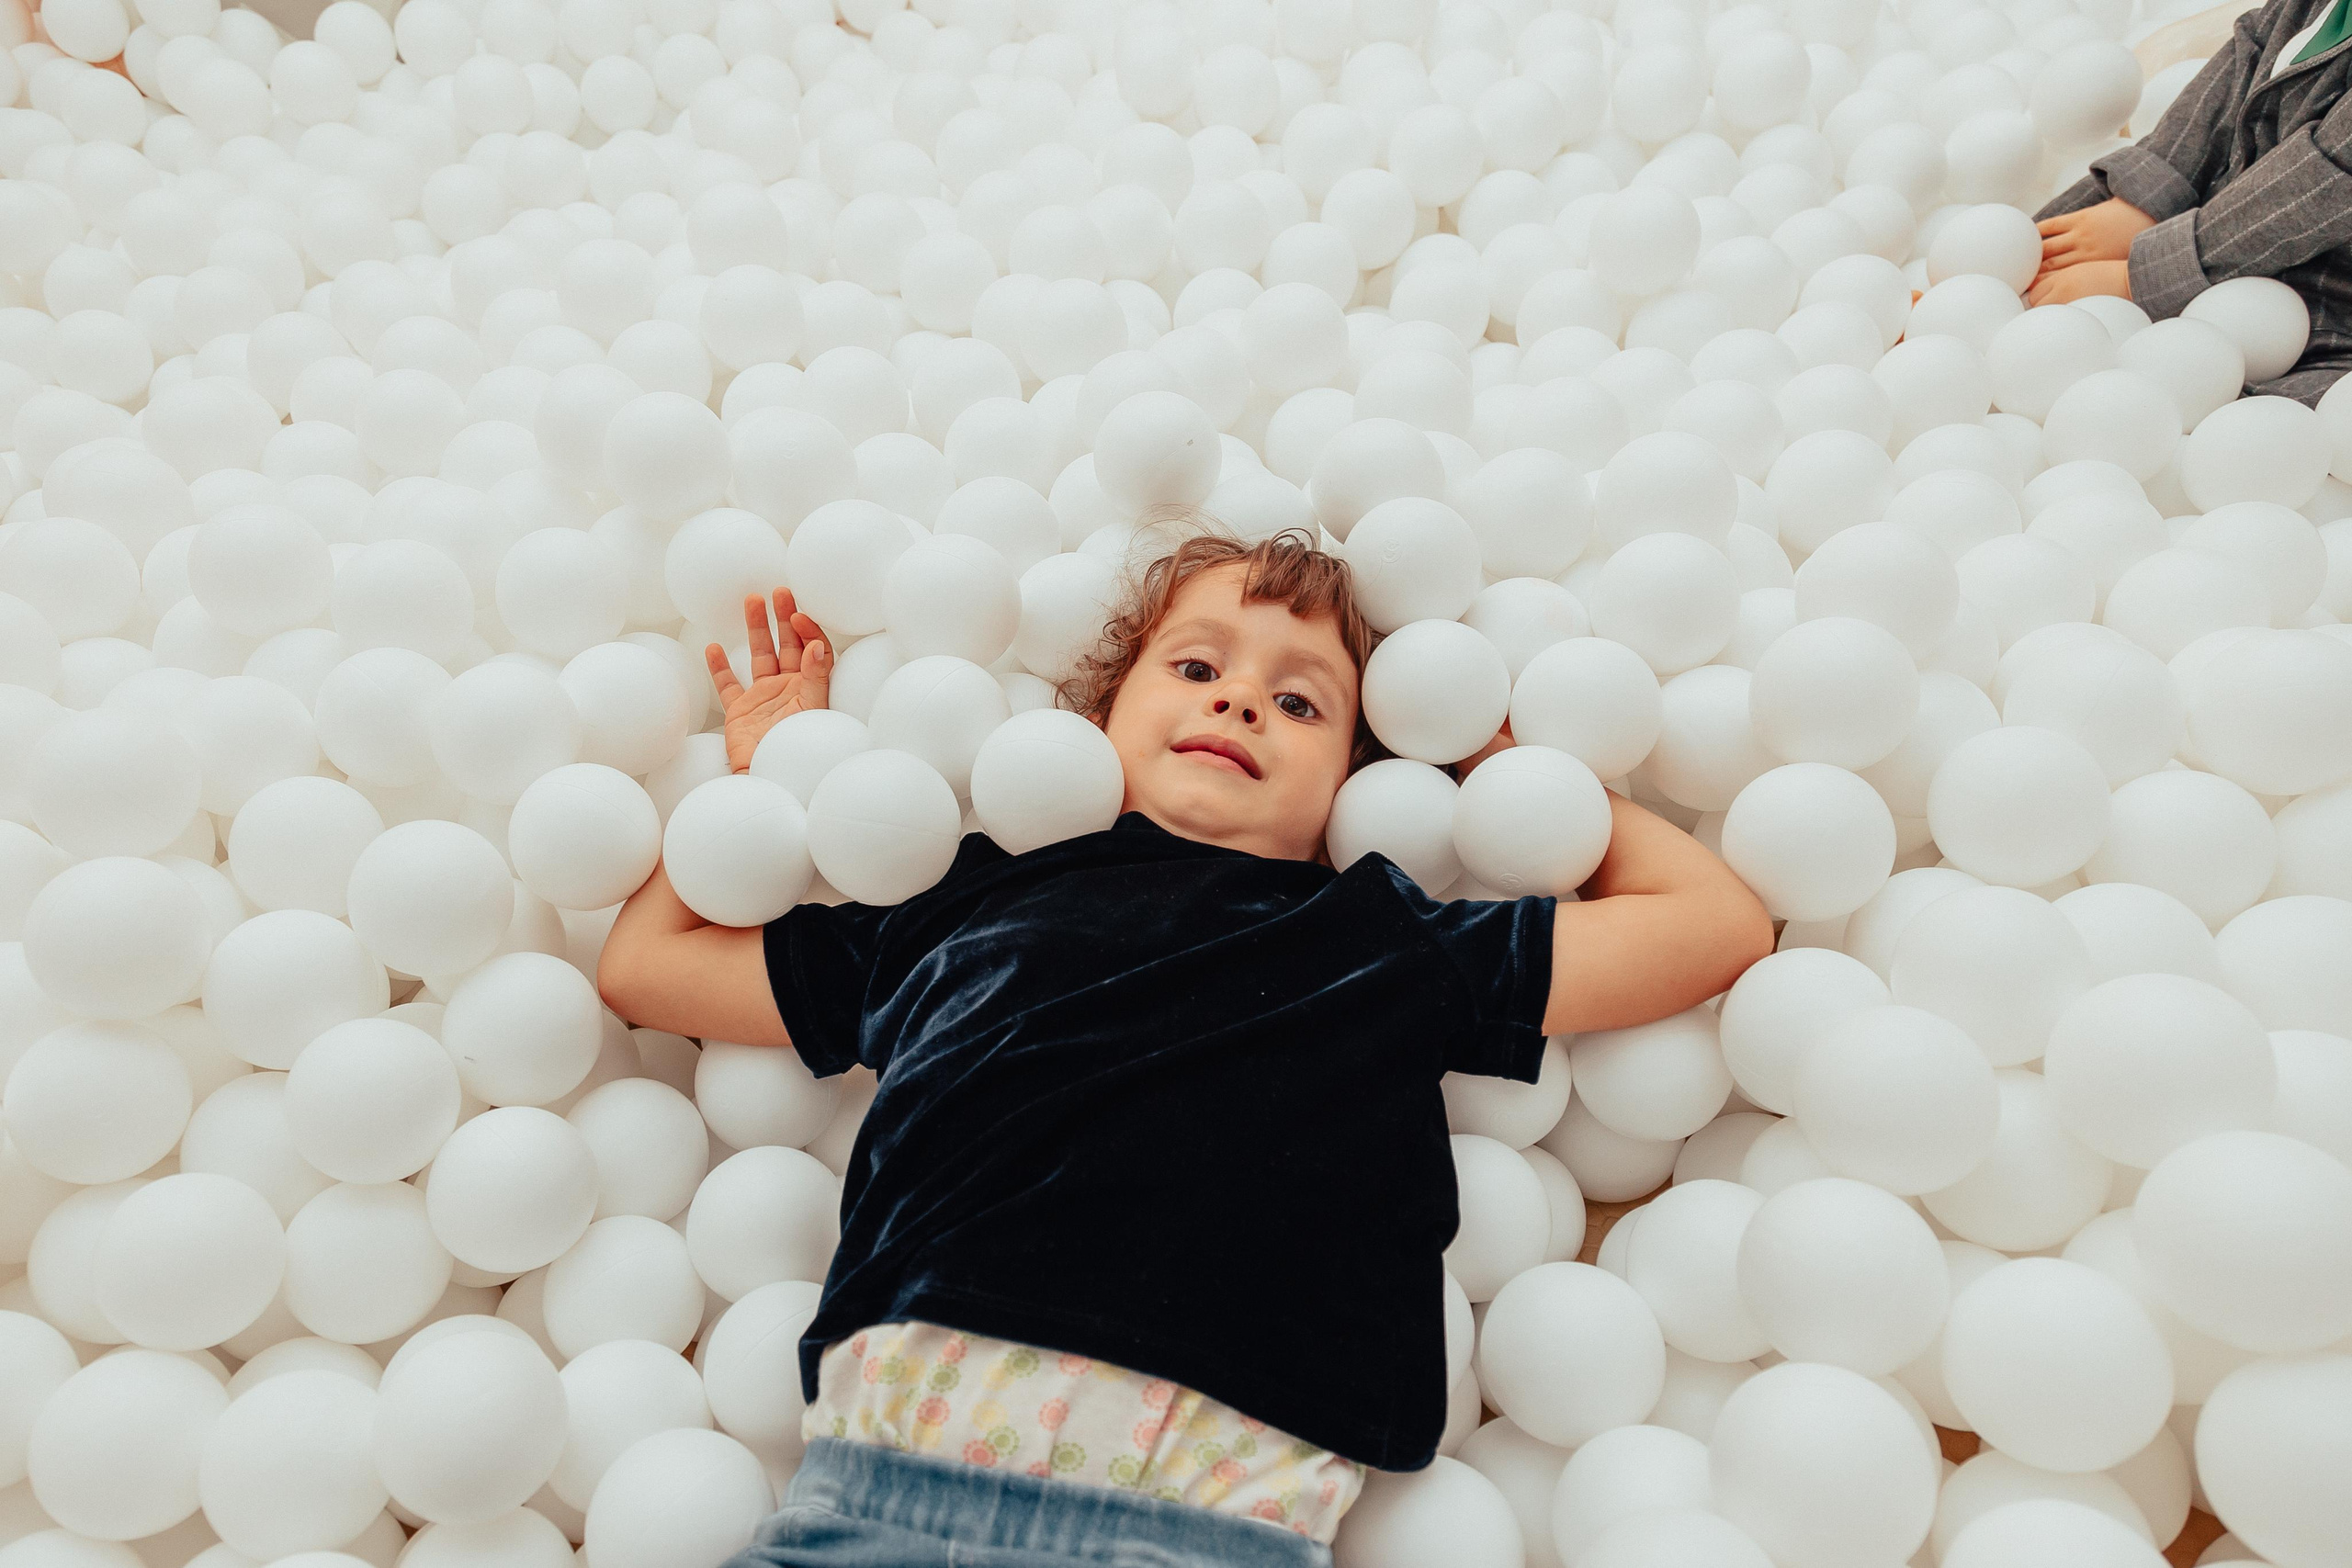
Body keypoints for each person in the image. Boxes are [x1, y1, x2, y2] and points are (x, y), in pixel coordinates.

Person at [596, 519, 1776, 1568]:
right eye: (1198, 668)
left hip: (1204, 1526)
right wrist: (752, 796)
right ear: (1101, 715)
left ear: (1353, 778)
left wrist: (1514, 778)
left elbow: (1713, 928)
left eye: (1301, 703)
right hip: (872, 1500)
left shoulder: (1379, 939)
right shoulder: (962, 903)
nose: (1240, 701)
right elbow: (645, 971)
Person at [2030, 0, 2352, 405]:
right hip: (2230, 221)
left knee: (2230, 407)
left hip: (2331, 302)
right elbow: (2248, 52)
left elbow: (2330, 174)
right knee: (2034, 266)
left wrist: (2151, 273)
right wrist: (2148, 194)